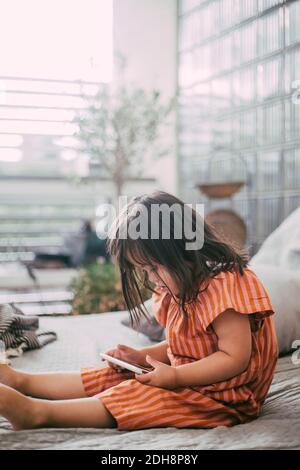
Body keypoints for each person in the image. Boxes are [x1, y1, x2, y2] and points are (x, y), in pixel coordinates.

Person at [0, 191, 278, 430]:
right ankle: (23, 381)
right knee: (115, 375)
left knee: (143, 395)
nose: (152, 278)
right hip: (193, 377)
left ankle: (37, 414)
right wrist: (141, 356)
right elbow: (188, 345)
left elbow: (233, 358)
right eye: (145, 270)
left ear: (183, 250)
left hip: (226, 396)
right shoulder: (179, 287)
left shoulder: (226, 286)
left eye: (154, 267)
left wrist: (176, 377)